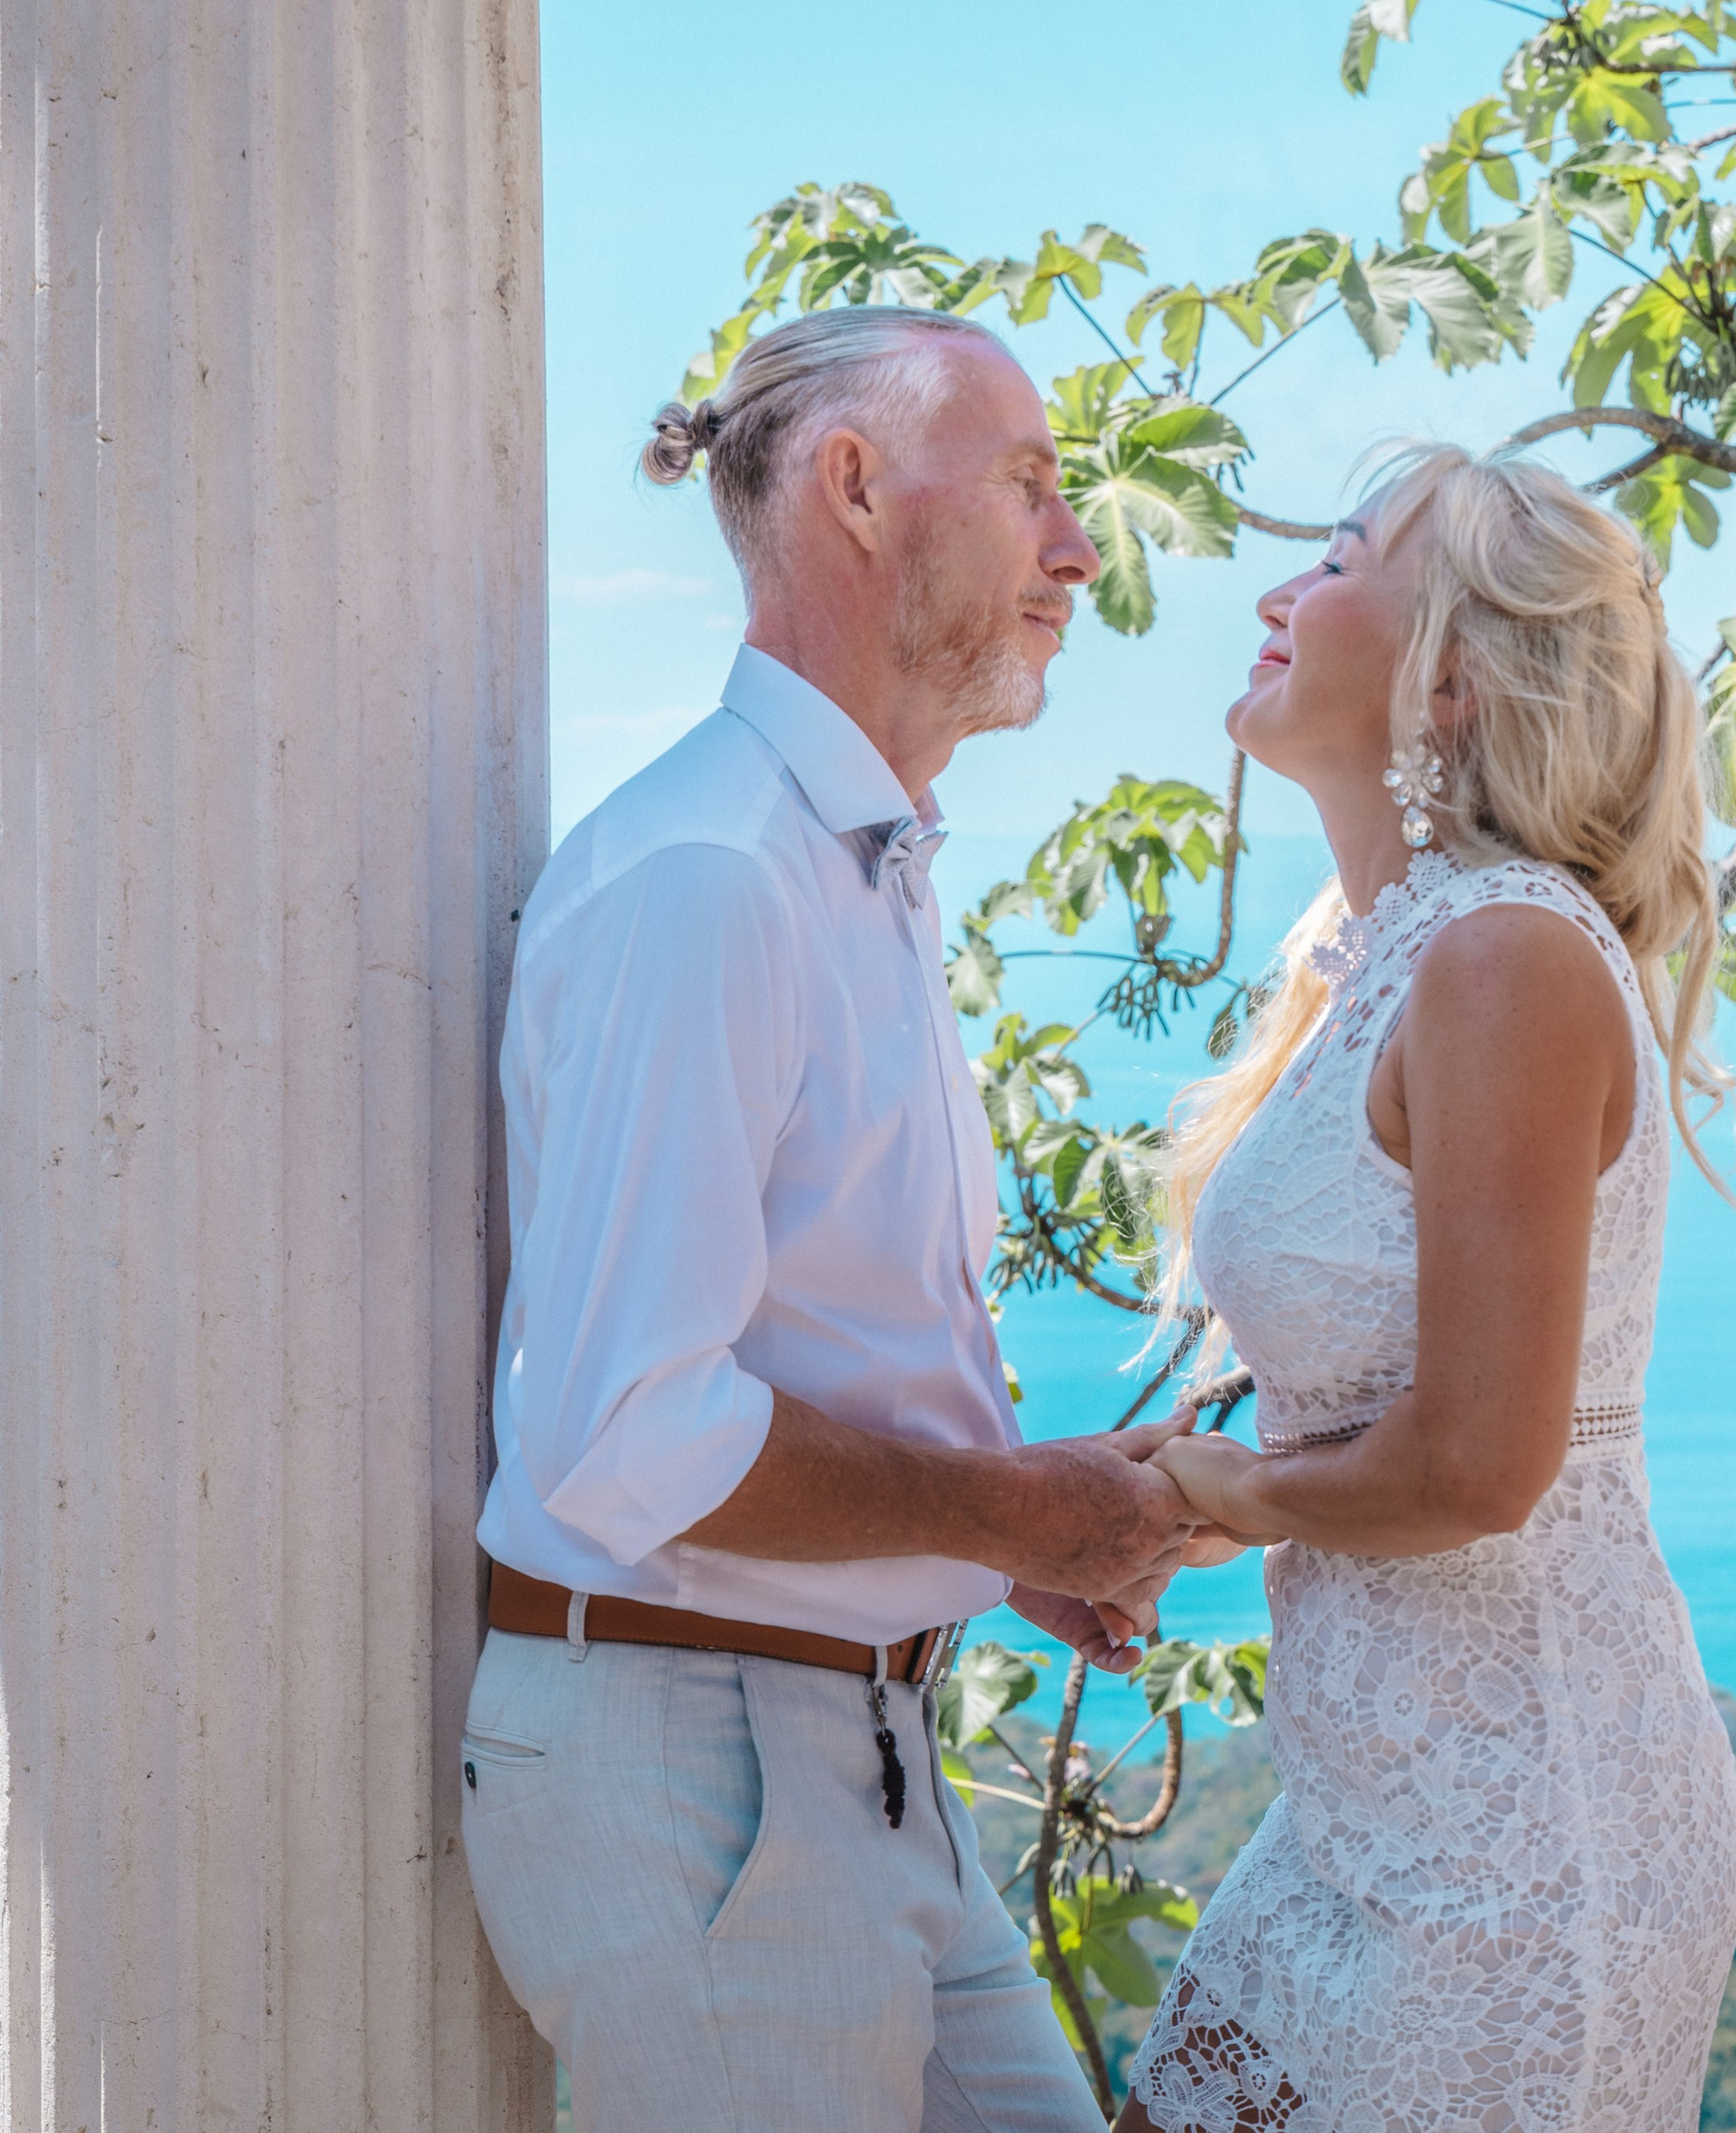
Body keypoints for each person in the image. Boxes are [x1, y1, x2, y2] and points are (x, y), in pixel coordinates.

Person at [462, 306, 1200, 2133]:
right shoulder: (714, 877)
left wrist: (987, 1550)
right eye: (1028, 485)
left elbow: (813, 1341)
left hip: (842, 1761)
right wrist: (999, 1507)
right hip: (710, 1786)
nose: (1077, 547)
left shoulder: (847, 865)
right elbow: (632, 1429)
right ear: (854, 490)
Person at [1116, 447, 1736, 2133]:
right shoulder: (1385, 953)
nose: (1274, 594)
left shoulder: (1503, 954)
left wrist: (1219, 1496)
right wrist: (1183, 1489)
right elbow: (1391, 1393)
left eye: (1331, 563)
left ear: (1450, 675)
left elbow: (1476, 1465)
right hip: (1365, 1810)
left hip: (1526, 1840)